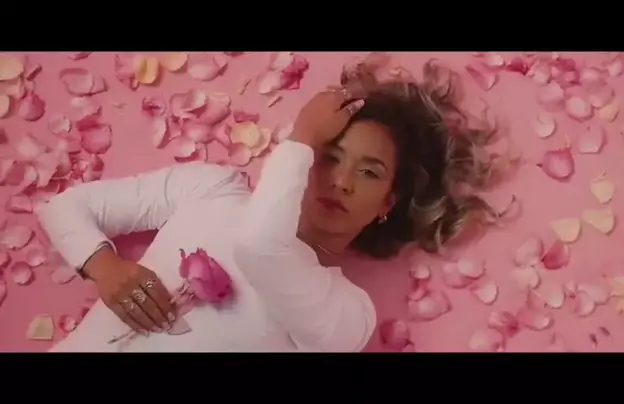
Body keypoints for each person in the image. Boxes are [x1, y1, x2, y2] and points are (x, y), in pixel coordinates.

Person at [37, 59, 498, 352]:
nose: (340, 182)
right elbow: (64, 207)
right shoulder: (212, 188)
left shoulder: (347, 313)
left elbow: (261, 248)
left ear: (386, 204)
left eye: (369, 172)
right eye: (329, 156)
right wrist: (105, 269)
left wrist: (304, 137)